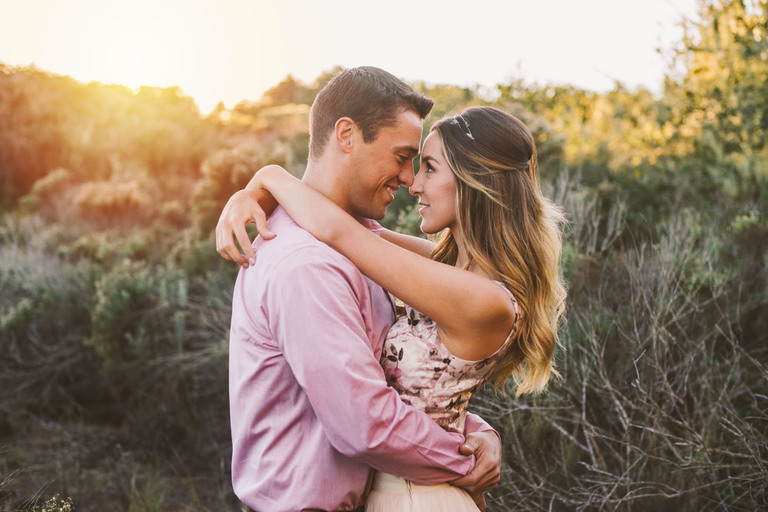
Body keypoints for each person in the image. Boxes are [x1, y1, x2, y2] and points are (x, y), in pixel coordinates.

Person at [219, 100, 566, 510]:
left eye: (429, 168)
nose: (413, 184)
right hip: (401, 491)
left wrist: (270, 175)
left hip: (417, 497)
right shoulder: (443, 269)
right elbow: (359, 231)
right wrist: (255, 194)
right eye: (411, 163)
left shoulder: (483, 299)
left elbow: (340, 232)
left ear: (475, 181)